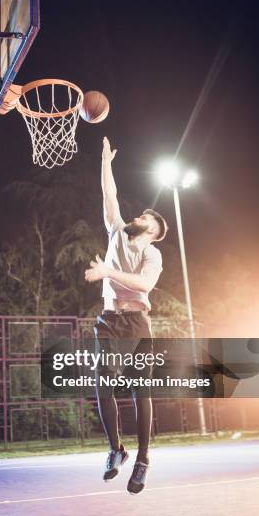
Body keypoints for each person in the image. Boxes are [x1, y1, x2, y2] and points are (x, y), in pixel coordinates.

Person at [85, 137, 168, 494]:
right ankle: (116, 450)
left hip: (137, 322)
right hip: (110, 320)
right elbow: (110, 196)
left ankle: (144, 459)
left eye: (144, 217)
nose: (137, 217)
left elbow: (144, 285)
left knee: (140, 390)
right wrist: (106, 163)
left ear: (152, 231)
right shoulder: (117, 231)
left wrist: (108, 273)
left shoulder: (153, 256)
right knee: (103, 385)